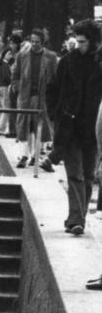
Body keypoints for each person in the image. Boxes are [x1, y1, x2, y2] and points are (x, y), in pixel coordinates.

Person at [46, 19, 102, 236]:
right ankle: (77, 218)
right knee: (76, 175)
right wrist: (55, 115)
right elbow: (51, 89)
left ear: (94, 41)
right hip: (69, 128)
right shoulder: (67, 61)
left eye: (83, 42)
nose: (78, 45)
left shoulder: (100, 63)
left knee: (88, 176)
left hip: (94, 130)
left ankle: (78, 217)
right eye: (77, 41)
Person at [12, 29, 59, 169]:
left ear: (42, 42)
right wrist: (17, 86)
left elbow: (55, 79)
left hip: (43, 97)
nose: (34, 44)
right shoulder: (22, 55)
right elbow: (15, 74)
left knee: (40, 126)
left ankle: (36, 156)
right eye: (32, 41)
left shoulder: (51, 57)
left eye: (37, 42)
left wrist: (52, 96)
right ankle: (24, 155)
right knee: (23, 126)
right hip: (25, 96)